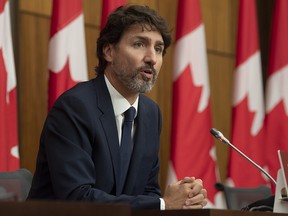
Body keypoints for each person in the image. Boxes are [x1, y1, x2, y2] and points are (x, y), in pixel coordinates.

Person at [27, 4, 208, 210]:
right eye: (140, 44)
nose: (152, 58)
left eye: (158, 49)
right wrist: (163, 205)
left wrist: (183, 201)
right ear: (109, 51)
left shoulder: (150, 113)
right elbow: (77, 197)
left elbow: (147, 190)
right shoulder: (75, 107)